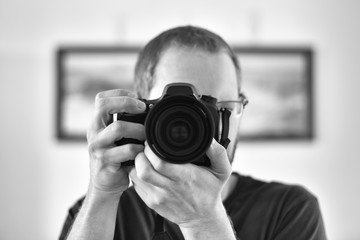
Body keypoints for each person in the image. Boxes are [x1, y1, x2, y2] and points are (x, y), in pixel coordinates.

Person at [60, 26, 327, 240]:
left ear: (240, 106)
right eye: (178, 109)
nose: (203, 126)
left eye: (220, 108)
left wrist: (205, 222)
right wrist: (101, 194)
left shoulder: (290, 210)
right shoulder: (99, 210)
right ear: (140, 111)